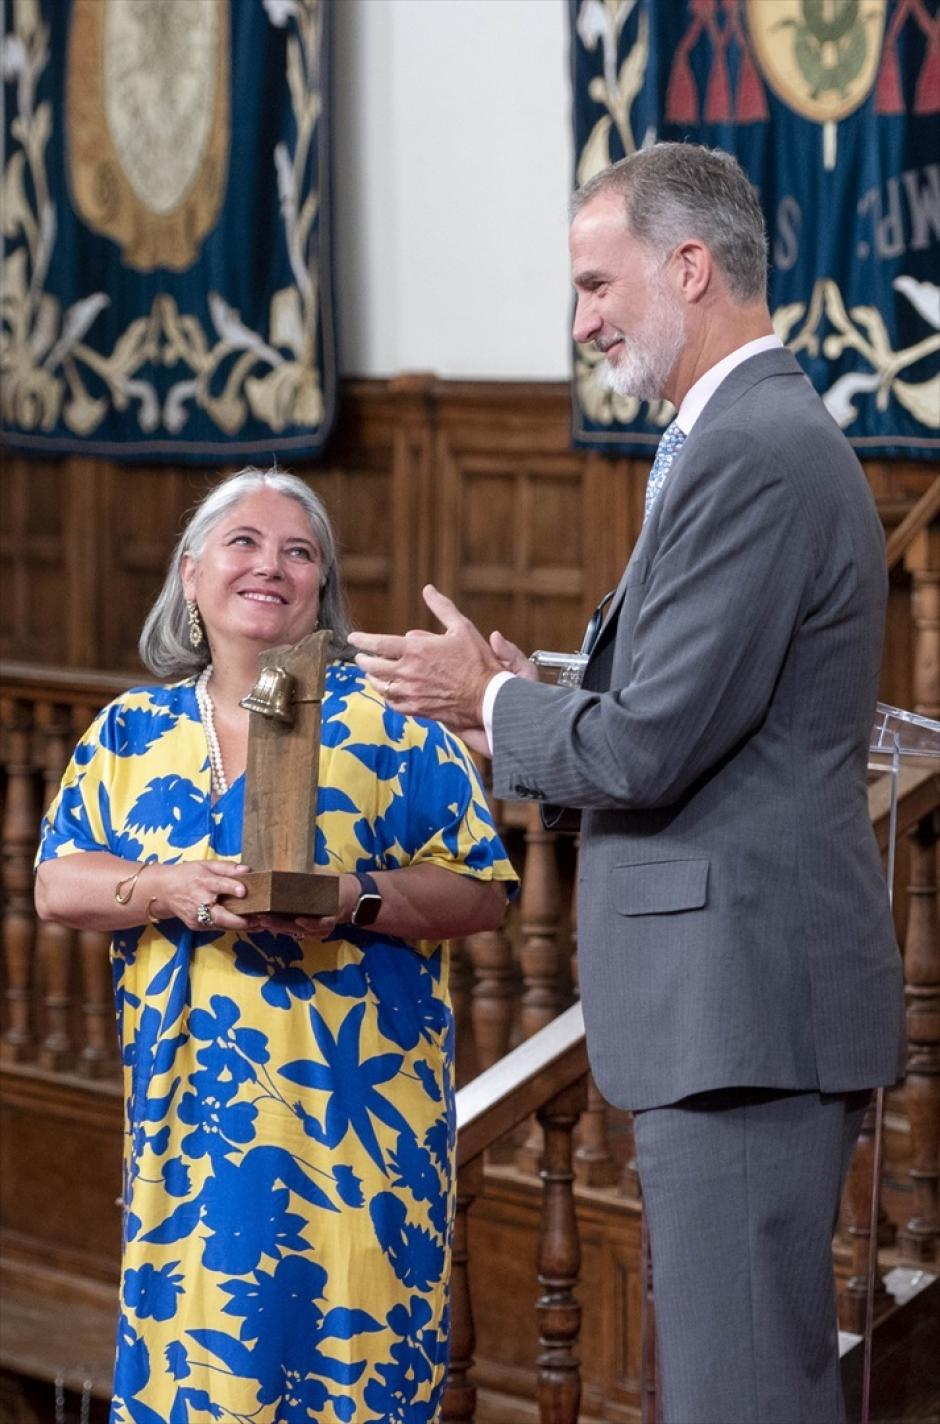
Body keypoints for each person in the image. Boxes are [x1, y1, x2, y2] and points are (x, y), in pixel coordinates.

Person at [349, 143, 906, 1424]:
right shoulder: (733, 439)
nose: (584, 320)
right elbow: (686, 710)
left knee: (743, 1395)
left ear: (690, 266)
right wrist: (524, 693)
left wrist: (481, 700)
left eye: (599, 285)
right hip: (730, 1012)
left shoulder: (753, 448)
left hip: (748, 1009)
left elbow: (651, 744)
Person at [35, 467, 517, 1423]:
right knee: (204, 1381)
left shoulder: (395, 728)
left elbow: (483, 892)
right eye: (244, 542)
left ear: (321, 589)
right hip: (194, 1137)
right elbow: (57, 882)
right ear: (190, 575)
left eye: (301, 551)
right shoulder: (128, 734)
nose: (272, 565)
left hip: (358, 1138)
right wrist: (163, 887)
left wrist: (352, 899)